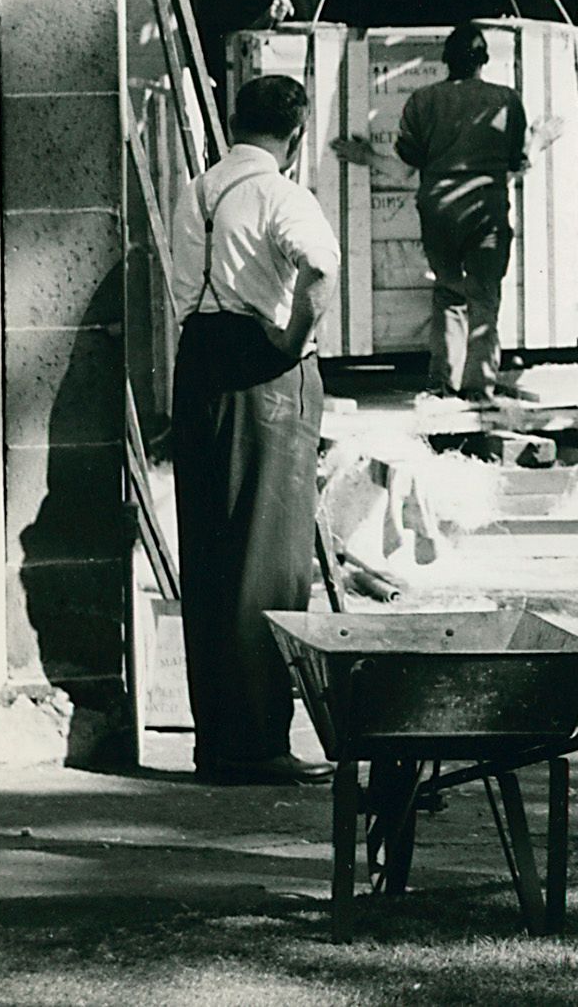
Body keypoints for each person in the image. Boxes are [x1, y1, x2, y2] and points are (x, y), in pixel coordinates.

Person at [167, 73, 340, 784]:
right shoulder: (281, 193)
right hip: (259, 365)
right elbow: (320, 269)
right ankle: (260, 743)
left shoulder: (195, 189)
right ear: (294, 135)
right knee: (269, 559)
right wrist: (294, 339)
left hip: (197, 364)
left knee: (209, 556)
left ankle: (219, 740)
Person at [395, 22, 528, 402]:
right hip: (485, 210)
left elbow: (410, 154)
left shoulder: (422, 100)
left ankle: (442, 384)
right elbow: (516, 158)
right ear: (484, 60)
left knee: (449, 293)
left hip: (439, 210)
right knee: (484, 296)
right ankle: (479, 389)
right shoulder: (507, 99)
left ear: (445, 61)